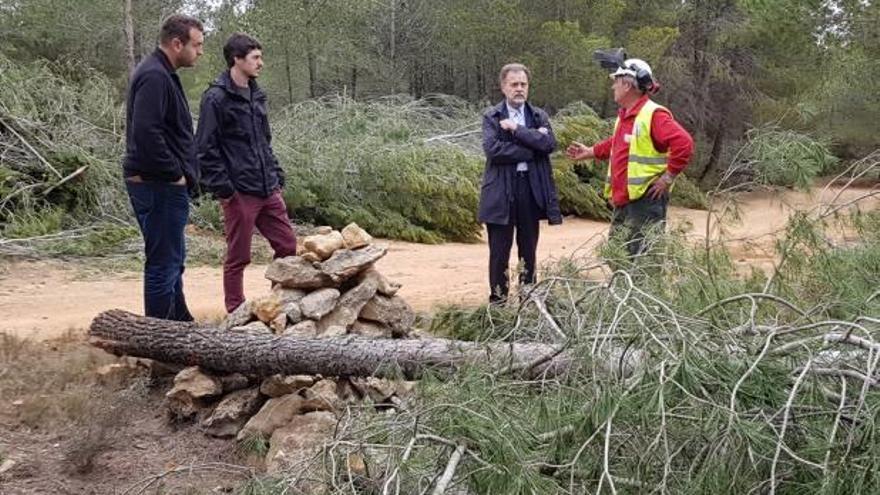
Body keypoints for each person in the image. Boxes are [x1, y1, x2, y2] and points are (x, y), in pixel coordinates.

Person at [196, 33, 297, 313]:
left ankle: (279, 304)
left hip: (268, 188)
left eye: (260, 57)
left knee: (288, 246)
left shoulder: (257, 94)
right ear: (236, 60)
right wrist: (226, 189)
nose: (260, 63)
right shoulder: (216, 98)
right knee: (238, 256)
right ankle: (235, 311)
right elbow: (204, 149)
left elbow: (264, 141)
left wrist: (276, 174)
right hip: (240, 192)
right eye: (255, 57)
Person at [566, 57, 693, 257]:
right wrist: (590, 152)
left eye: (616, 81)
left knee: (643, 261)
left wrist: (668, 178)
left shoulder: (653, 115)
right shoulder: (627, 115)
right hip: (625, 200)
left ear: (627, 84)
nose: (612, 86)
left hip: (645, 201)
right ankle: (622, 288)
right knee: (617, 255)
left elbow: (684, 143)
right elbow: (618, 144)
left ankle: (640, 289)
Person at [123, 14, 204, 321]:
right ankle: (159, 344)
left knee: (173, 259)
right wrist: (175, 175)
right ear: (176, 43)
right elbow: (146, 133)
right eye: (196, 45)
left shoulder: (162, 73)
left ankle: (180, 324)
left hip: (162, 184)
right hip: (158, 185)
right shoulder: (155, 76)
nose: (200, 51)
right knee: (162, 263)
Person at [479, 63, 562, 304]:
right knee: (499, 253)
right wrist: (531, 147)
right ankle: (498, 304)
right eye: (514, 84)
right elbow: (493, 150)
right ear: (503, 87)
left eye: (523, 84)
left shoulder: (538, 116)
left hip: (530, 189)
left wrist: (517, 129)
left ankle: (529, 301)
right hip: (500, 192)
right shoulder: (492, 116)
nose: (519, 89)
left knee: (528, 250)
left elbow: (548, 145)